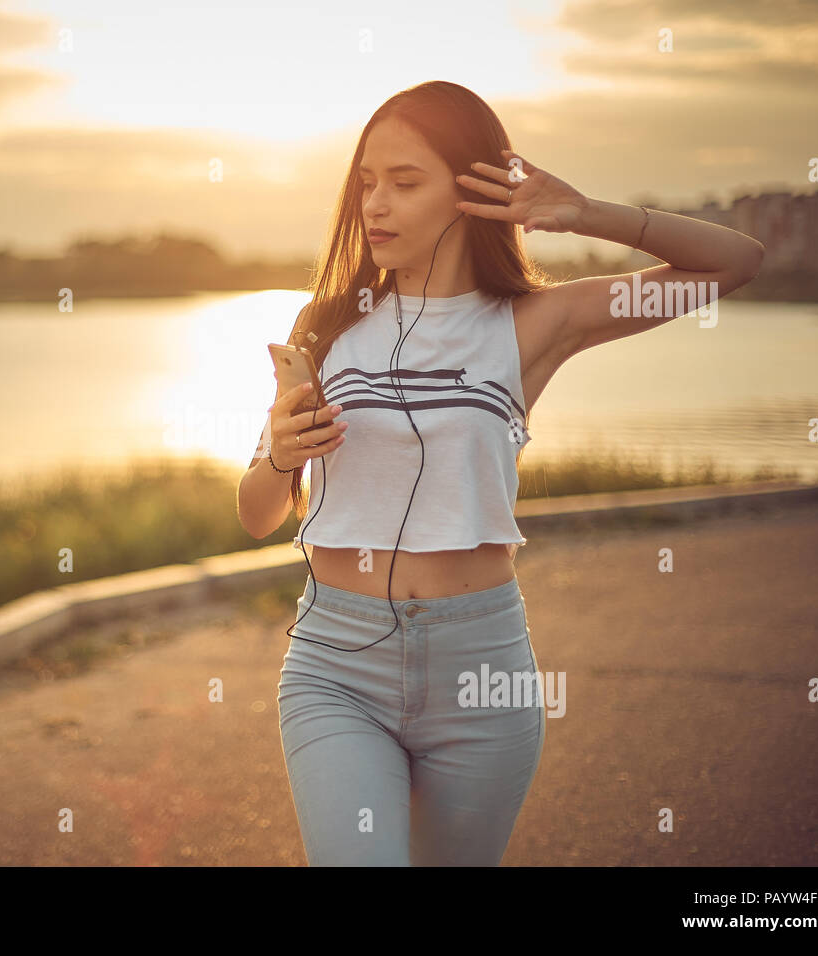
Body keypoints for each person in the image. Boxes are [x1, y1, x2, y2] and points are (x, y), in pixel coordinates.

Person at [235, 80, 764, 866]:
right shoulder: (324, 324)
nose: (375, 204)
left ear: (476, 191)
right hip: (335, 665)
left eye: (406, 182)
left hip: (480, 674)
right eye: (367, 183)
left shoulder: (537, 323)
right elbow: (256, 513)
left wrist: (586, 215)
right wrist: (278, 456)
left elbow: (734, 262)